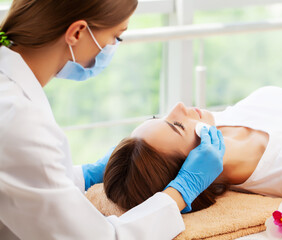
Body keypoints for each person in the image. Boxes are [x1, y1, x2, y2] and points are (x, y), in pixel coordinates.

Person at [0, 1, 225, 239]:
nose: (179, 106)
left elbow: (30, 180)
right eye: (116, 37)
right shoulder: (18, 120)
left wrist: (85, 175)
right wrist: (181, 191)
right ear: (77, 33)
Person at [104, 82, 282, 212]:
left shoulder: (214, 125)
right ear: (195, 161)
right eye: (177, 126)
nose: (179, 107)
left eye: (159, 117)